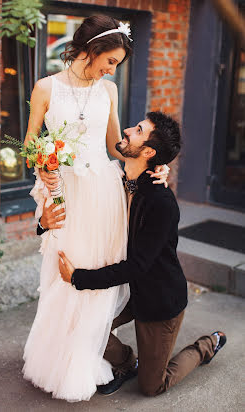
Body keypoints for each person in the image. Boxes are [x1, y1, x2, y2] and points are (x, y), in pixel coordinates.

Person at [22, 15, 169, 402]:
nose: (111, 69)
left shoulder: (109, 91)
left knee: (94, 276)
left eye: (116, 65)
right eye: (110, 61)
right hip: (65, 195)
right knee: (63, 276)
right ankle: (58, 360)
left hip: (103, 194)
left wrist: (157, 164)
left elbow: (117, 146)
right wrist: (43, 166)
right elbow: (29, 146)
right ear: (90, 51)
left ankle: (86, 361)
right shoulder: (44, 88)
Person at [59, 111, 227, 397]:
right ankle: (127, 362)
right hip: (128, 291)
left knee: (152, 386)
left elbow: (137, 265)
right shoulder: (121, 180)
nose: (126, 130)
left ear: (148, 151)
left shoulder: (161, 202)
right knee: (82, 326)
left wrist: (78, 277)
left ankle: (207, 345)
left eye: (137, 130)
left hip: (159, 301)